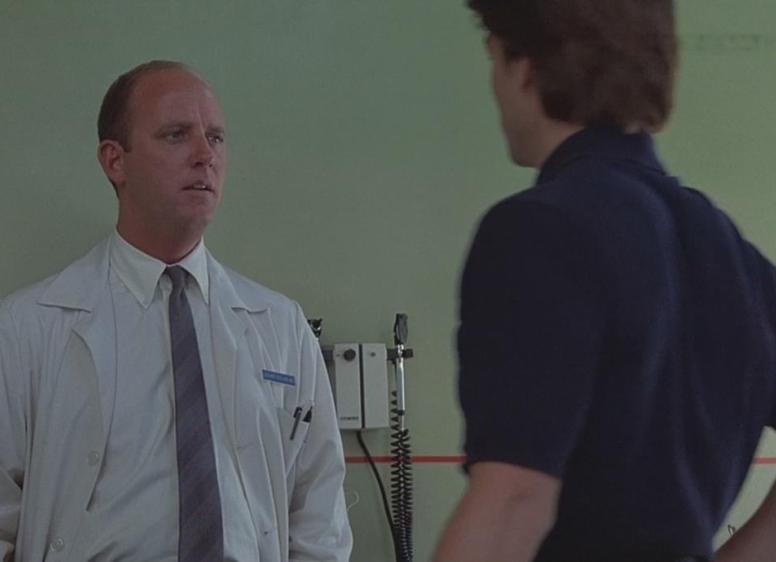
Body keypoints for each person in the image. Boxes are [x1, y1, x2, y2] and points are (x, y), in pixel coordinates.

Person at [433, 1, 776, 561]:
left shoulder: (538, 231)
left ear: (526, 69)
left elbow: (516, 502)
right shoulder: (732, 255)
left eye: (494, 60)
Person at [0, 60, 352, 562]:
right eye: (176, 135)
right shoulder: (26, 328)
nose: (205, 155)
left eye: (216, 137)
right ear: (115, 161)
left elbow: (319, 515)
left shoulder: (281, 326)